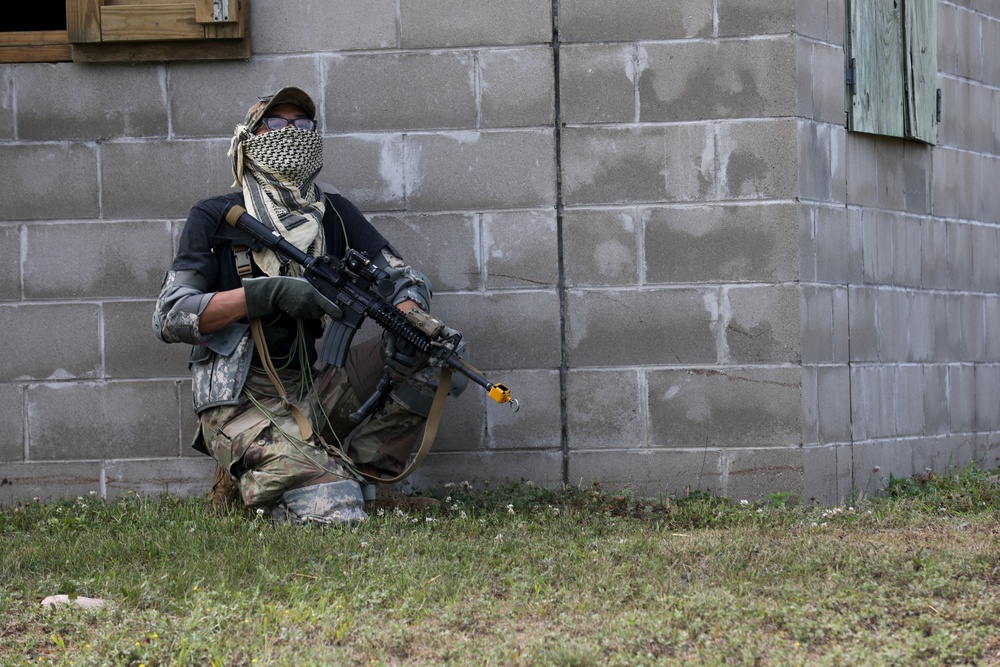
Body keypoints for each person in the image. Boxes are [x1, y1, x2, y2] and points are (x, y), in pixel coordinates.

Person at [153, 87, 453, 523]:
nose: (291, 132)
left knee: (433, 349)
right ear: (250, 137)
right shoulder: (218, 216)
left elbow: (402, 276)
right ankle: (296, 477)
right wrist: (266, 293)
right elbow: (169, 316)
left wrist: (408, 310)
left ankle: (368, 478)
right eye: (276, 123)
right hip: (237, 396)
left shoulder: (333, 214)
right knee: (336, 509)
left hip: (310, 388)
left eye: (303, 124)